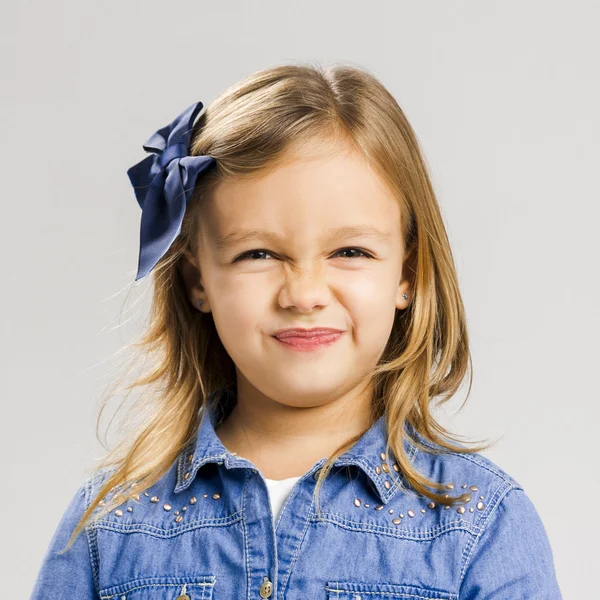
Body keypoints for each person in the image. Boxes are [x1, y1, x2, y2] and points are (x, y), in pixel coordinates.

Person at [30, 62, 562, 599]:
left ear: (406, 274)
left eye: (350, 251)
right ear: (198, 281)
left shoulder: (479, 524)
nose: (303, 294)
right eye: (257, 253)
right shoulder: (109, 527)